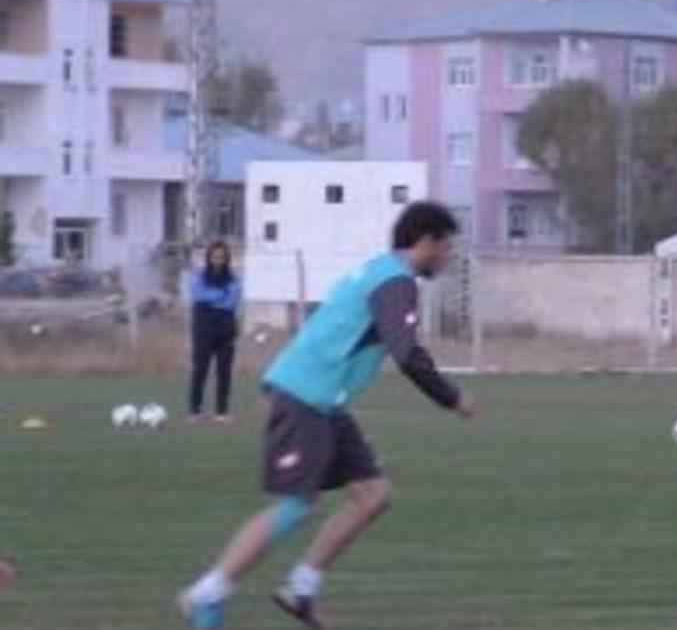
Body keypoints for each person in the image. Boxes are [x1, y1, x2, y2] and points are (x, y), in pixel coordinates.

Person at [178, 202, 478, 629]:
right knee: (298, 504)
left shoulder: (379, 270)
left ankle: (300, 589)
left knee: (373, 494)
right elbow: (407, 353)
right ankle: (206, 595)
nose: (447, 258)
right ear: (426, 241)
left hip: (325, 402)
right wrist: (452, 398)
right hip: (304, 395)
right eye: (445, 247)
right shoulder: (395, 282)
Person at [189, 241, 242, 424]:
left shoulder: (233, 280)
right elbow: (198, 295)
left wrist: (211, 298)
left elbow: (231, 302)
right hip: (203, 327)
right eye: (215, 257)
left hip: (226, 328)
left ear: (227, 259)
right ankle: (195, 411)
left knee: (224, 372)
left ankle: (221, 412)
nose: (218, 260)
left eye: (222, 257)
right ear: (209, 258)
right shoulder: (199, 276)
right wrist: (220, 294)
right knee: (200, 369)